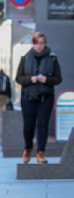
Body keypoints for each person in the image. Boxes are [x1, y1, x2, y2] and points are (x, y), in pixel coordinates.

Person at [15, 32, 62, 164]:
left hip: (45, 96)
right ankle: (28, 148)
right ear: (33, 44)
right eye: (36, 43)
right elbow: (18, 78)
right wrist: (31, 79)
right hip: (28, 96)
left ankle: (41, 153)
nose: (39, 46)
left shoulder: (52, 59)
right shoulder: (25, 58)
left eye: (41, 43)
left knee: (42, 125)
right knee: (29, 126)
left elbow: (58, 79)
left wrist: (46, 79)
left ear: (45, 43)